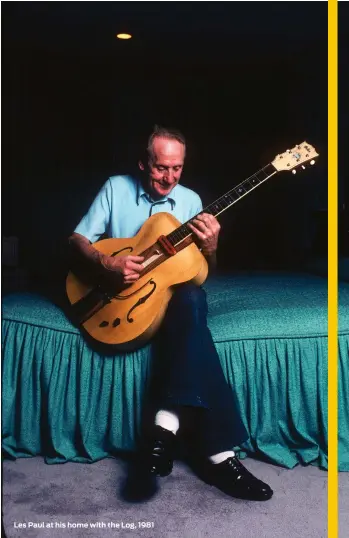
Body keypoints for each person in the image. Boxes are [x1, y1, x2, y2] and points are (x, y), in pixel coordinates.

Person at [68, 125, 273, 501]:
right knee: (193, 311)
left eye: (177, 169)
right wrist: (107, 262)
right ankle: (220, 456)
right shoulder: (116, 188)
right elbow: (78, 239)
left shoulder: (192, 201)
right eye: (162, 167)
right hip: (119, 301)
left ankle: (164, 430)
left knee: (191, 298)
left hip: (167, 297)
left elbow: (197, 268)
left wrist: (211, 247)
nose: (169, 177)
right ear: (144, 164)